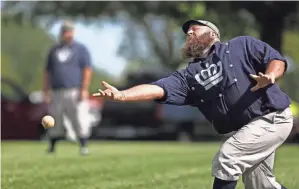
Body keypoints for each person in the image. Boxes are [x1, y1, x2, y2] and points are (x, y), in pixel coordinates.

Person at [93, 19, 293, 189]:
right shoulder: (188, 75)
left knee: (228, 158)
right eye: (188, 33)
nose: (189, 32)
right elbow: (157, 88)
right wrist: (122, 95)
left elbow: (275, 59)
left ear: (213, 34)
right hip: (247, 130)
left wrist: (270, 75)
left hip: (271, 118)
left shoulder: (241, 45)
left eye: (194, 29)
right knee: (262, 186)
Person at [43, 20, 93, 155]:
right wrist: (46, 91)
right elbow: (48, 72)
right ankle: (52, 147)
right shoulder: (54, 50)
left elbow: (87, 70)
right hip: (57, 90)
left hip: (74, 90)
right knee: (55, 119)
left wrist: (84, 89)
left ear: (73, 32)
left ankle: (83, 146)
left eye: (69, 31)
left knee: (79, 119)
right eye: (65, 32)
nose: (67, 34)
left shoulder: (81, 49)